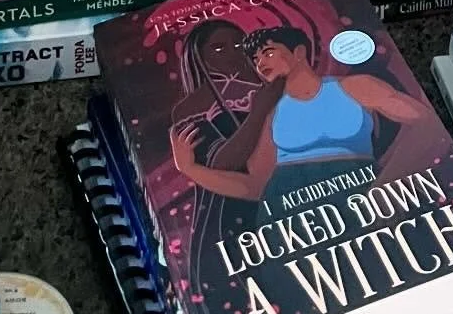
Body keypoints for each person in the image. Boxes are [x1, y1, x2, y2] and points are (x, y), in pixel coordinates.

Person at [171, 26, 426, 210]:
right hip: (288, 219)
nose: (260, 63)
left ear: (299, 52)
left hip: (362, 202)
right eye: (256, 59)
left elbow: (424, 122)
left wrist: (387, 178)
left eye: (268, 52)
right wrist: (191, 170)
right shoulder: (270, 115)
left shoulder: (355, 86)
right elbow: (256, 187)